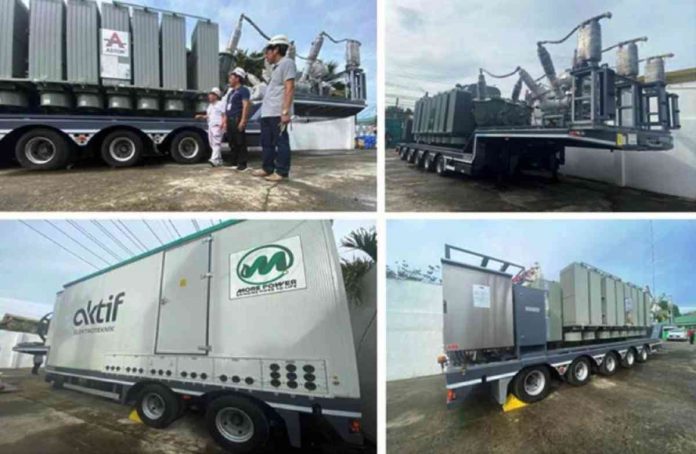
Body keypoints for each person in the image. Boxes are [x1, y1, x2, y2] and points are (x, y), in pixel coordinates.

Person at [253, 35, 296, 182]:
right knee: (266, 143)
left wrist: (285, 112)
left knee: (281, 142)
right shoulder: (275, 68)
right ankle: (267, 168)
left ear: (276, 49)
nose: (266, 55)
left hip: (278, 113)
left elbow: (289, 88)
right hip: (267, 113)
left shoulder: (287, 63)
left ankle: (282, 172)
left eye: (268, 51)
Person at [223, 67, 251, 171]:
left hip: (237, 118)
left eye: (231, 77)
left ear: (238, 78)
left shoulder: (244, 90)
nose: (229, 80)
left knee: (240, 141)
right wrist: (225, 121)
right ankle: (233, 160)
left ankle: (242, 162)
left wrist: (243, 120)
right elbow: (227, 107)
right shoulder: (231, 93)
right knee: (232, 141)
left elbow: (246, 105)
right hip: (230, 119)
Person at [195, 88, 226, 167]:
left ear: (216, 96)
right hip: (211, 126)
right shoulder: (210, 106)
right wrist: (201, 116)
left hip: (218, 126)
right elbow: (209, 116)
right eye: (209, 95)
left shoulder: (221, 104)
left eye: (212, 95)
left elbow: (224, 114)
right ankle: (219, 160)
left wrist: (223, 124)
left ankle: (213, 159)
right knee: (212, 144)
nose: (209, 96)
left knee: (216, 143)